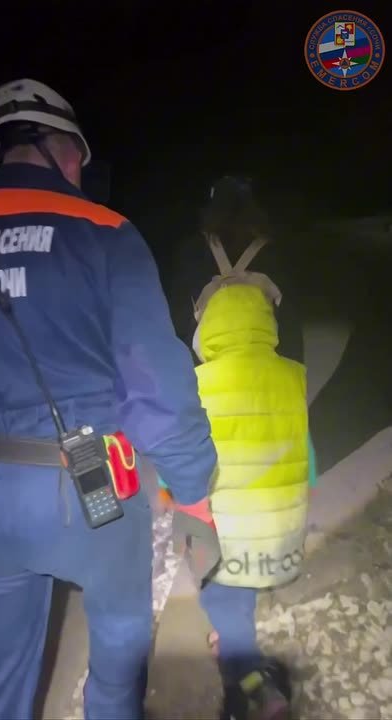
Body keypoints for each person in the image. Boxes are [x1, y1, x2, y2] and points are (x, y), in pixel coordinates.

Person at [0, 78, 219, 720]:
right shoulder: (103, 228)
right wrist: (193, 489)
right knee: (118, 660)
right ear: (69, 154)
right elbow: (156, 388)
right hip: (90, 485)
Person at [158, 177, 314, 720]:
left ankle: (249, 682)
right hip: (275, 404)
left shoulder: (188, 253)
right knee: (253, 530)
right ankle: (237, 643)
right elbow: (294, 344)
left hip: (210, 403)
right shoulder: (279, 252)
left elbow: (175, 339)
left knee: (211, 545)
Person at [168, 175, 304, 366]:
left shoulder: (192, 251)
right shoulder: (274, 252)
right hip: (264, 363)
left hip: (207, 366)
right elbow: (290, 322)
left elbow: (179, 319)